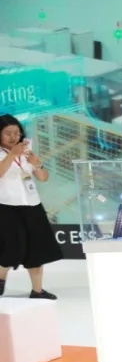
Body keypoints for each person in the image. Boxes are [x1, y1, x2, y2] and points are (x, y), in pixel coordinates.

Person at [0, 114, 62, 299]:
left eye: (16, 133)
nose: (13, 137)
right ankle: (1, 279)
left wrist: (37, 164)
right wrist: (12, 155)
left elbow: (43, 178)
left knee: (37, 249)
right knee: (8, 250)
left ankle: (37, 291)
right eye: (8, 133)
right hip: (6, 207)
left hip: (32, 205)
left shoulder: (26, 151)